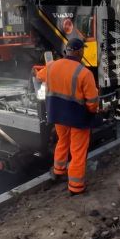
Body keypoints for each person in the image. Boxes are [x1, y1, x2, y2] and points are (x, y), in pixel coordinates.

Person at [36, 38, 99, 195]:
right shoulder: (85, 73)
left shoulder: (52, 66)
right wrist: (92, 112)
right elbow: (92, 102)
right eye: (83, 50)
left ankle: (58, 170)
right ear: (79, 52)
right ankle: (76, 187)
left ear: (67, 51)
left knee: (63, 141)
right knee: (78, 151)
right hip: (78, 118)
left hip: (57, 115)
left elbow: (39, 76)